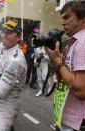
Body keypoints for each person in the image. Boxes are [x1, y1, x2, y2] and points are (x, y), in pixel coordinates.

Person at [45, 1, 85, 131]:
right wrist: (54, 60)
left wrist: (58, 61)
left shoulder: (82, 43)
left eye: (67, 17)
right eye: (62, 18)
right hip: (67, 119)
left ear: (83, 18)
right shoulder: (72, 42)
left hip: (77, 123)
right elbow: (62, 77)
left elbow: (81, 90)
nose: (62, 22)